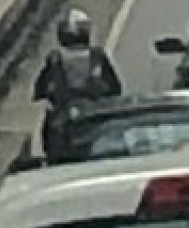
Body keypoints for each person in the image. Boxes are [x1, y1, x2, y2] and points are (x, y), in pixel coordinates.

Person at [32, 11, 122, 158]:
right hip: (90, 114)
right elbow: (116, 87)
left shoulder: (55, 59)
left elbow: (40, 87)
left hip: (82, 114)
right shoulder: (96, 56)